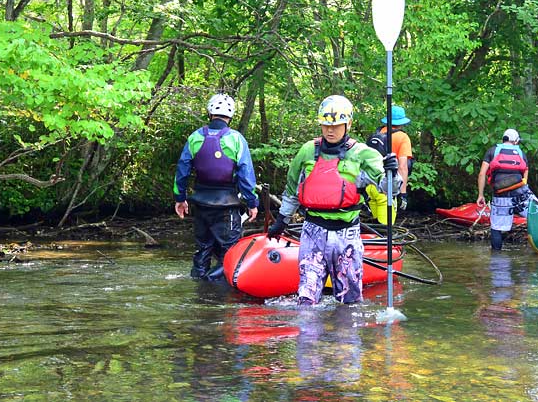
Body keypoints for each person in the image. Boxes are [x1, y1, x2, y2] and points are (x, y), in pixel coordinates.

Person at [267, 95, 399, 305]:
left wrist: (393, 173)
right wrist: (282, 220)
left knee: (350, 300)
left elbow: (389, 189)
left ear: (348, 124)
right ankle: (308, 336)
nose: (330, 130)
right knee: (307, 298)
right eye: (326, 125)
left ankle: (345, 337)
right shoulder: (308, 151)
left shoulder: (363, 154)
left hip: (346, 234)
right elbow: (292, 187)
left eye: (336, 126)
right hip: (313, 232)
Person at [173, 93, 259, 281]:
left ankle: (201, 291)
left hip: (201, 205)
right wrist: (252, 203)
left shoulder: (195, 137)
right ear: (230, 115)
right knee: (230, 253)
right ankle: (217, 290)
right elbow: (246, 176)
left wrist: (180, 199)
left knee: (202, 249)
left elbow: (182, 171)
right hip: (226, 207)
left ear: (210, 113)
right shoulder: (236, 139)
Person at [476, 129, 532, 250]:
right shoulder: (521, 153)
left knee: (496, 227)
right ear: (516, 141)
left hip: (500, 196)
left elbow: (482, 174)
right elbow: (525, 180)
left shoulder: (492, 151)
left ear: (503, 139)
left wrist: (481, 195)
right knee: (535, 215)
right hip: (521, 194)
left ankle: (496, 258)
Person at [377, 105, 413, 211]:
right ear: (401, 123)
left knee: (375, 222)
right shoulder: (403, 137)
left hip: (373, 186)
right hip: (389, 188)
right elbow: (402, 167)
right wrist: (403, 194)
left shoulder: (378, 134)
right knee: (387, 224)